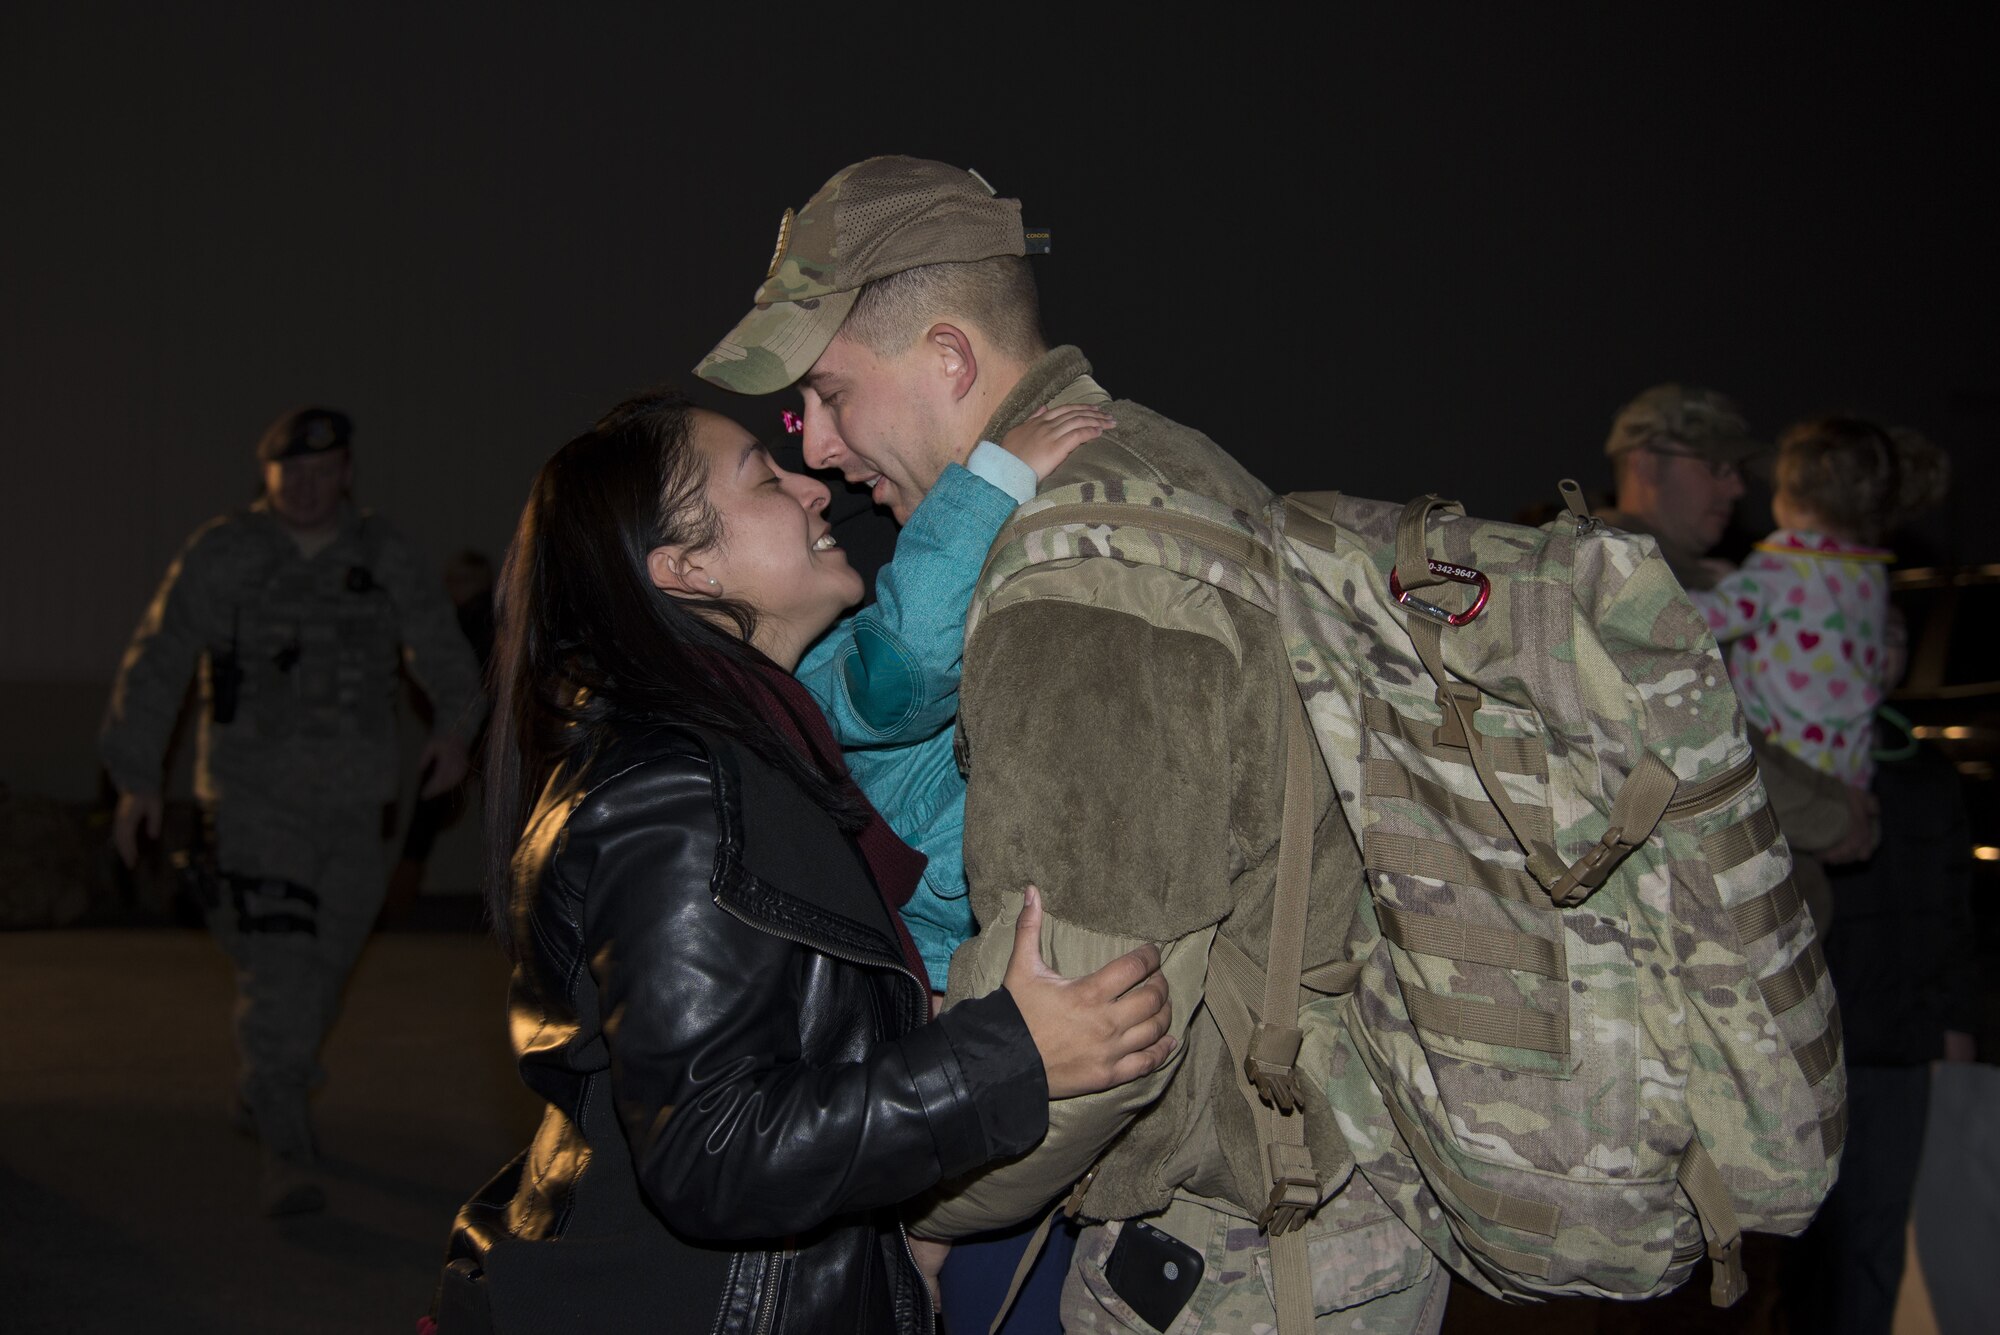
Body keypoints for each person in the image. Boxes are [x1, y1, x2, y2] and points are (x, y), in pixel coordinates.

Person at [698, 155, 1446, 1333]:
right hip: (1309, 1208)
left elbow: (1095, 1022)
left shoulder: (1074, 572)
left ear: (947, 359)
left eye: (833, 396)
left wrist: (918, 1213)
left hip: (1241, 1267)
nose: (822, 450)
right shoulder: (1163, 460)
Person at [436, 391, 1175, 1335]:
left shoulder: (740, 750)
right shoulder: (676, 790)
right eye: (764, 475)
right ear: (687, 567)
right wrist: (1010, 1057)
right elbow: (715, 1150)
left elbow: (776, 1035)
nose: (815, 488)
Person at [100, 407, 485, 1215]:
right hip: (252, 798)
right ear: (266, 475)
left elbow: (442, 647)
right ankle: (286, 1142)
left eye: (324, 470)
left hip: (354, 802)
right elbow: (160, 656)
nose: (308, 487)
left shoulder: (383, 552)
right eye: (291, 472)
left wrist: (456, 728)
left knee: (330, 955)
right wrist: (137, 777)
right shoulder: (223, 552)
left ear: (347, 471)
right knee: (279, 965)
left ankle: (263, 1085)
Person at [796, 401, 1115, 995]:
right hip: (992, 941)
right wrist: (996, 479)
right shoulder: (810, 680)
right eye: (767, 480)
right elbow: (904, 666)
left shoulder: (801, 679)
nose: (811, 482)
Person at [1596, 385, 1880, 927]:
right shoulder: (1615, 572)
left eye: (1738, 469)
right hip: (1691, 924)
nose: (1735, 485)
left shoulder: (1715, 582)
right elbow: (1687, 736)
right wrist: (1832, 814)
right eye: (1715, 465)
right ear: (1645, 463)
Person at [1685, 416, 1950, 789]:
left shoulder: (1785, 565)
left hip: (1786, 769)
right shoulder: (1865, 575)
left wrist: (1653, 590)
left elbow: (1708, 618)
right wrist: (1737, 582)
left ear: (1792, 493)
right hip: (1848, 769)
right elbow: (1807, 615)